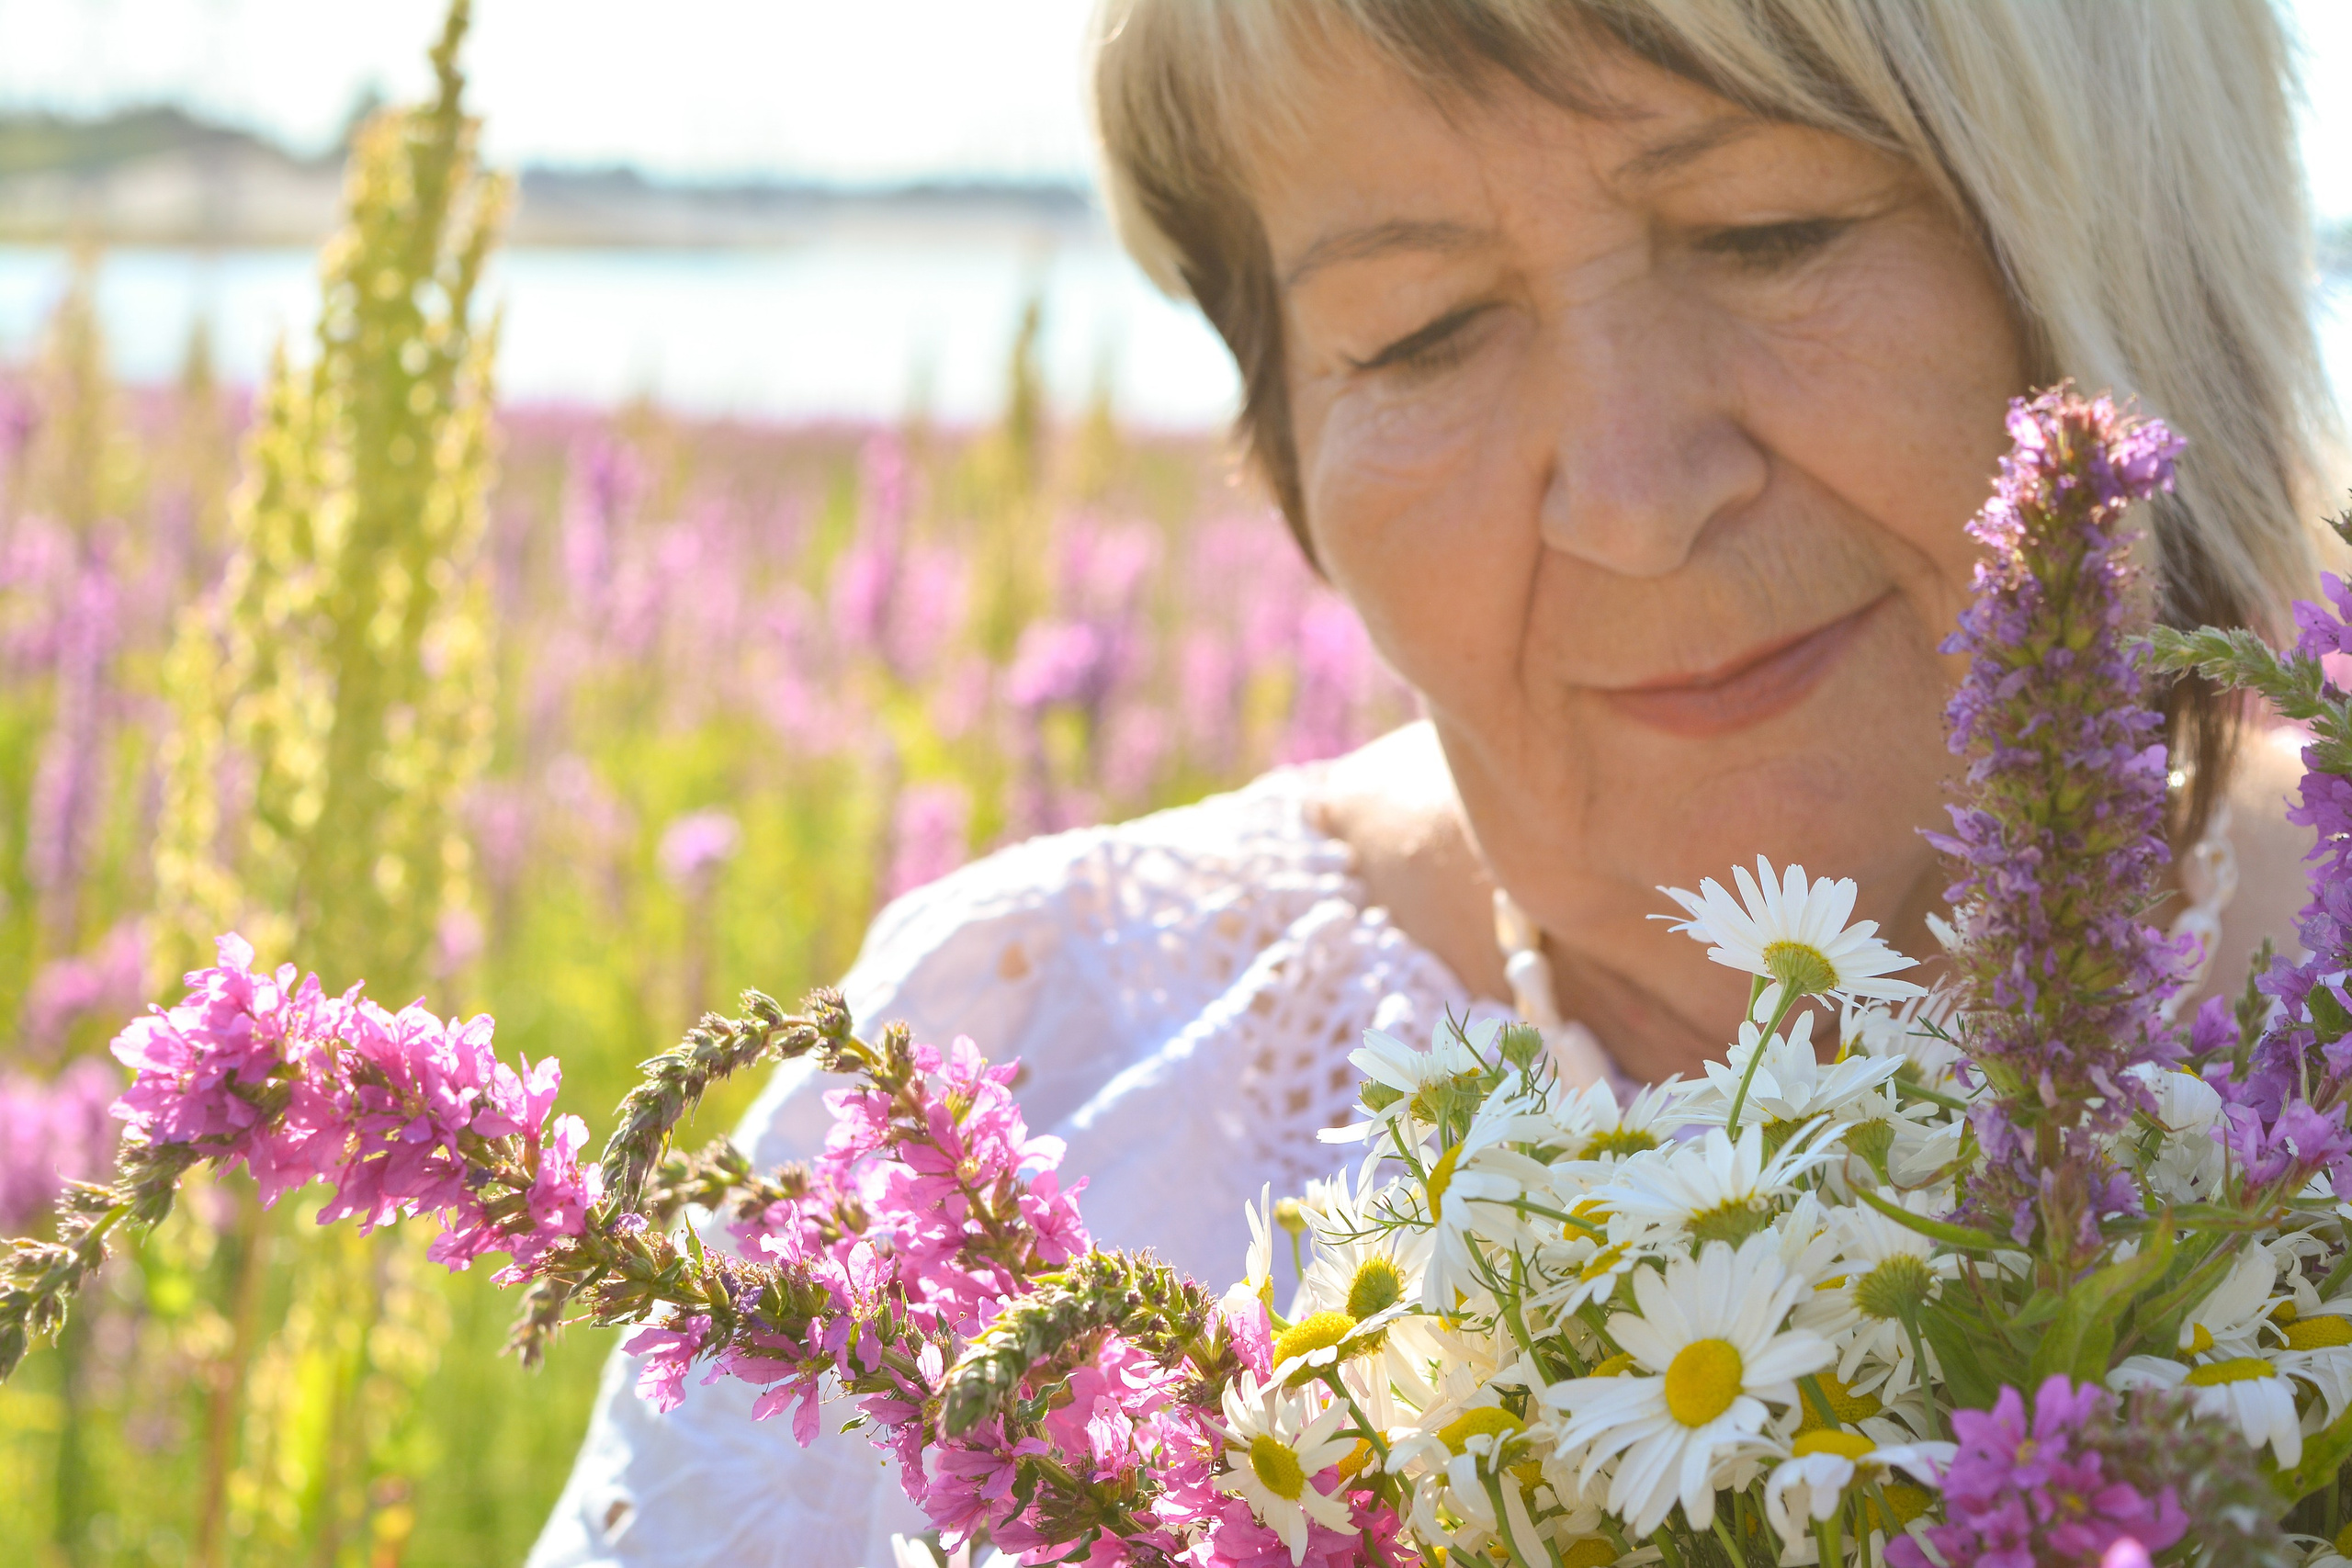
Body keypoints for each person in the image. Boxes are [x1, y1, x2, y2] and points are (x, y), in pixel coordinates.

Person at [529, 3, 2340, 1562]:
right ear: (1284, 450)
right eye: (1416, 330)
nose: (1632, 493)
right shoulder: (1026, 1065)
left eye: (1768, 230)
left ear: (2141, 245)